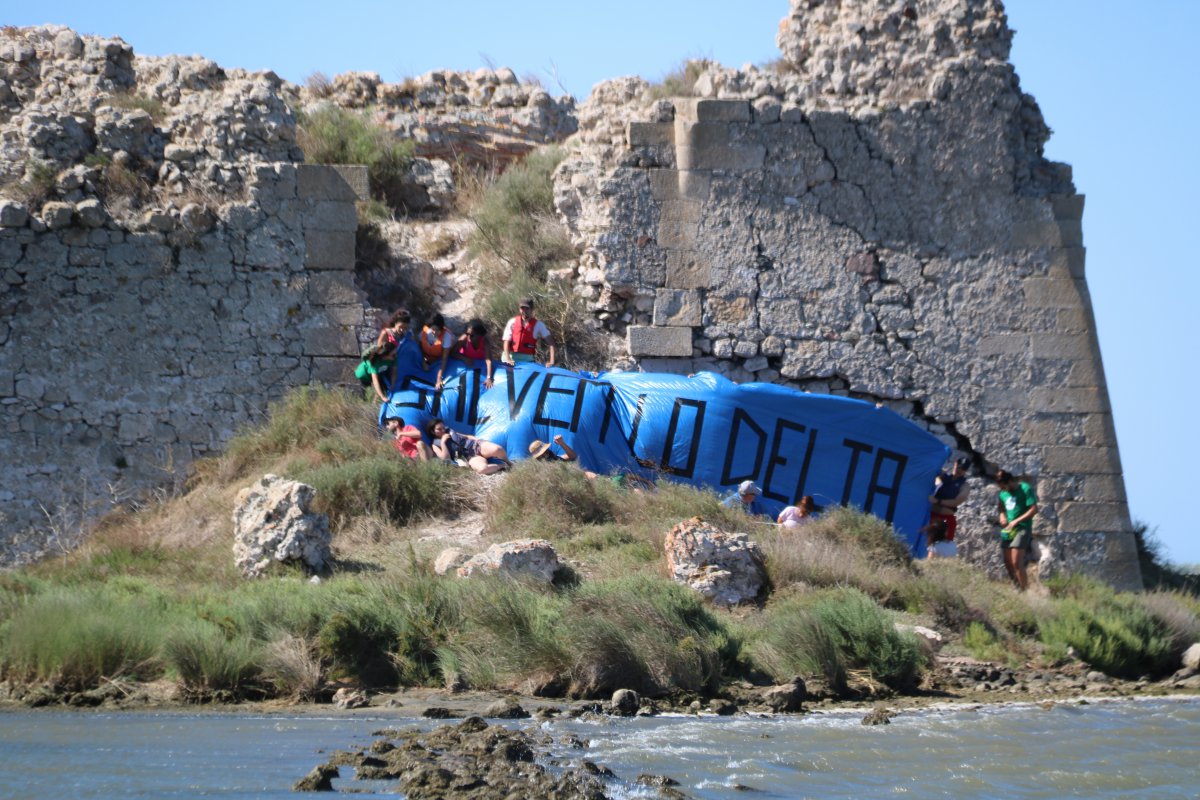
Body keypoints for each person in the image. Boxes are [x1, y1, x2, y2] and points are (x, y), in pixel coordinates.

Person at [995, 469, 1038, 591]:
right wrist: (1002, 517)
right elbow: (1001, 508)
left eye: (1004, 486)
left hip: (1022, 528)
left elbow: (1034, 509)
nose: (1003, 489)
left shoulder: (1025, 488)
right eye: (1001, 487)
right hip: (1009, 530)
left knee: (1016, 561)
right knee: (1007, 561)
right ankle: (1017, 587)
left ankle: (1026, 592)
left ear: (1010, 481)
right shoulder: (1003, 493)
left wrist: (1016, 521)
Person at [426, 418, 509, 475]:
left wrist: (479, 440)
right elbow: (445, 458)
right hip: (470, 457)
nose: (443, 430)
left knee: (498, 449)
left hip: (475, 446)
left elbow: (467, 436)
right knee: (482, 469)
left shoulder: (449, 432)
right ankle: (502, 466)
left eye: (443, 428)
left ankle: (508, 462)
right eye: (439, 429)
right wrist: (443, 442)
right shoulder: (435, 445)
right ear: (433, 431)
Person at [501, 297, 555, 367]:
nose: (524, 311)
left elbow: (551, 343)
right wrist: (508, 359)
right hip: (510, 359)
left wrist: (551, 361)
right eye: (522, 308)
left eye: (527, 308)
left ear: (532, 310)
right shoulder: (512, 322)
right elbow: (506, 342)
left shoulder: (539, 325)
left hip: (527, 361)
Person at [929, 457, 971, 542]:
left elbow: (958, 501)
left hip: (946, 519)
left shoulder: (965, 485)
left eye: (963, 469)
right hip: (931, 515)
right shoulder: (942, 476)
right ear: (955, 464)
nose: (960, 470)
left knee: (944, 546)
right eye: (959, 467)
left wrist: (938, 501)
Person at [528, 434, 597, 478]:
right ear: (538, 458)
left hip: (577, 482)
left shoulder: (557, 459)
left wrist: (561, 443)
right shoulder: (542, 472)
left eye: (546, 451)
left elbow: (572, 456)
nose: (546, 454)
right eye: (542, 455)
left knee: (590, 475)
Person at [453, 318, 495, 389]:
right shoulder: (464, 339)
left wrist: (489, 377)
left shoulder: (485, 341)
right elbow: (453, 353)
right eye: (467, 334)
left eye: (472, 335)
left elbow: (488, 360)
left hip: (479, 365)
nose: (469, 337)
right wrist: (464, 358)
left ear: (479, 335)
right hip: (465, 365)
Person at [419, 313, 456, 388]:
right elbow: (420, 347)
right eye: (433, 329)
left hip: (439, 359)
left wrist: (439, 378)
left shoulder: (446, 336)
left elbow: (444, 359)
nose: (435, 332)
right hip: (427, 357)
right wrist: (423, 362)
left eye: (437, 330)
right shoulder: (424, 332)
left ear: (441, 329)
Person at [355, 339, 398, 403]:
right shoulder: (375, 362)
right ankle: (366, 404)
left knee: (383, 389)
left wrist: (393, 385)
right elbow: (375, 381)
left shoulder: (393, 359)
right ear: (385, 355)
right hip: (364, 375)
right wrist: (382, 396)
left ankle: (375, 402)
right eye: (393, 355)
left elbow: (394, 373)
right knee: (366, 392)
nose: (395, 356)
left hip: (378, 373)